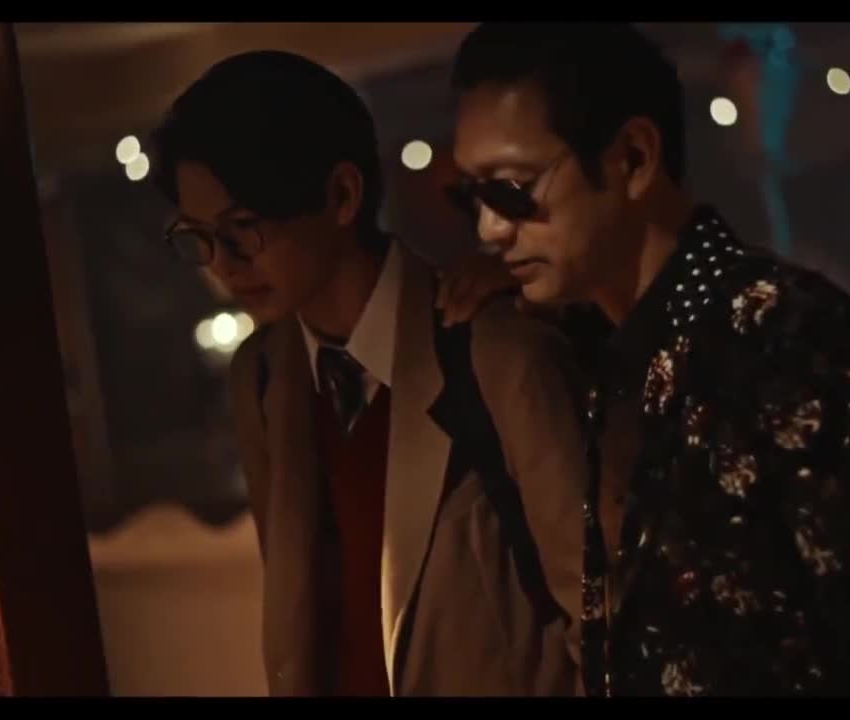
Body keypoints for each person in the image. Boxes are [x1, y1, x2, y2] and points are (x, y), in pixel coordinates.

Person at [448, 22, 850, 696]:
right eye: (471, 197)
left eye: (512, 189)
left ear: (633, 159)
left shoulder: (785, 341)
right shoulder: (608, 353)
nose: (489, 229)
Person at [150, 50, 587, 696]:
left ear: (342, 195)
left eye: (243, 227)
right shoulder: (265, 378)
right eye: (199, 236)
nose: (223, 263)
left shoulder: (490, 350)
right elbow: (301, 611)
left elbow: (598, 616)